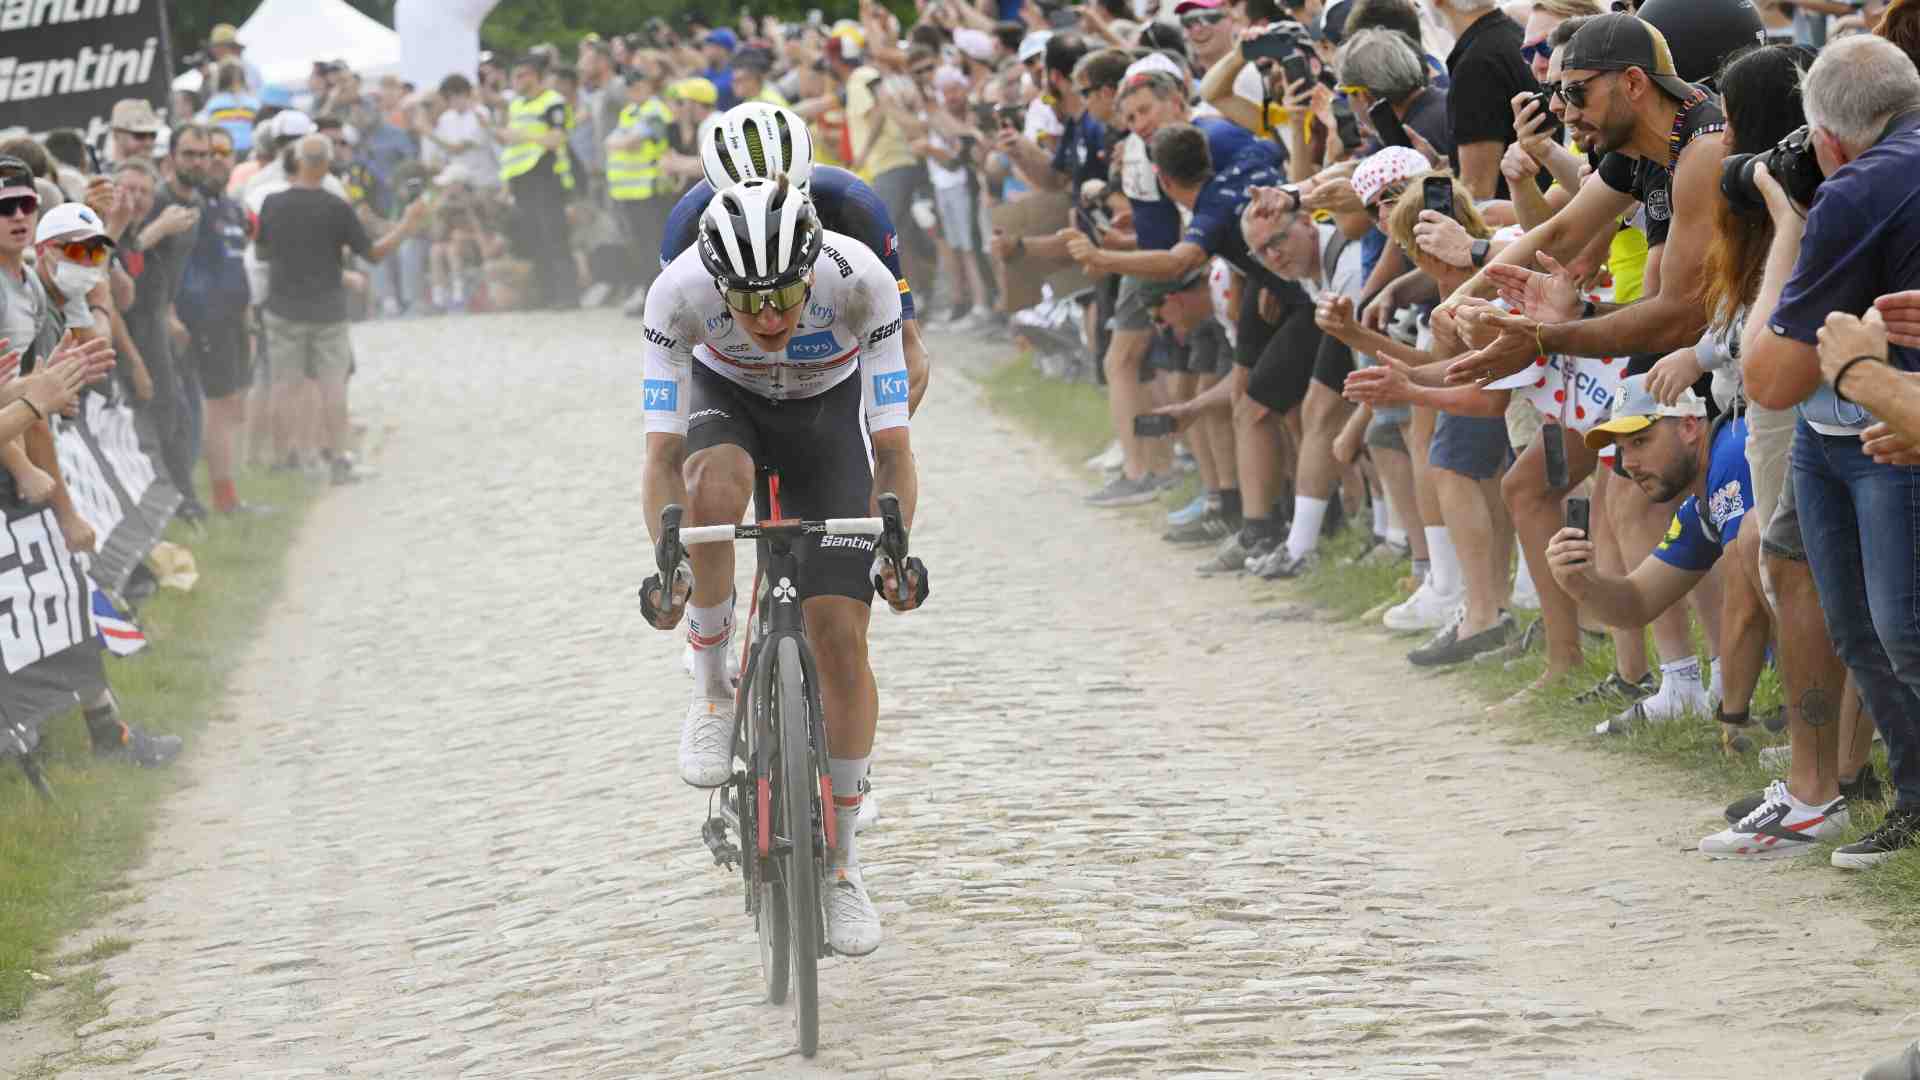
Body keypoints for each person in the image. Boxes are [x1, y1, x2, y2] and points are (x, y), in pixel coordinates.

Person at [639, 177, 928, 957]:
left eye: (786, 298)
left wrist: (894, 542)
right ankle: (712, 691)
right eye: (748, 302)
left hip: (828, 416)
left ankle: (841, 866)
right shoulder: (678, 293)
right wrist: (669, 563)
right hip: (728, 403)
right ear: (716, 285)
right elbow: (662, 456)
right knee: (709, 487)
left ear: (813, 272)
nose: (768, 319)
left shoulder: (861, 278)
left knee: (841, 640)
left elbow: (893, 448)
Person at [1742, 32, 1920, 869]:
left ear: (1827, 139)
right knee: (1866, 630)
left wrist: (1787, 223)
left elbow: (1768, 377)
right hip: (1844, 428)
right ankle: (1909, 802)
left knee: (1894, 632)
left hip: (1880, 426)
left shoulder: (1857, 186)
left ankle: (1913, 802)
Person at [1548, 378, 1792, 855]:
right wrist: (1582, 583)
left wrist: (1734, 714)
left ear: (1688, 426)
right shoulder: (1701, 499)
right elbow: (1639, 601)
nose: (1628, 463)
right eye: (1621, 448)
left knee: (1768, 572)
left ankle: (1825, 771)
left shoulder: (1735, 454)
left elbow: (1747, 608)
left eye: (1640, 441)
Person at [659, 103, 932, 415]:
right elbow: (673, 353)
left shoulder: (855, 207)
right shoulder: (686, 223)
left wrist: (884, 441)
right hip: (732, 378)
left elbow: (909, 349)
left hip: (832, 374)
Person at [255, 135, 432, 486]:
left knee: (282, 386)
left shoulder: (271, 204)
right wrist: (406, 227)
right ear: (327, 164)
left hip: (283, 306)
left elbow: (261, 253)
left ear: (298, 161)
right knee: (332, 386)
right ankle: (338, 459)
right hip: (328, 310)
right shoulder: (337, 207)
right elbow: (374, 254)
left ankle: (281, 459)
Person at [175, 125, 264, 516]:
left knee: (232, 405)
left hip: (234, 318)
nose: (218, 158)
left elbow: (236, 263)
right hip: (203, 319)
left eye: (226, 151)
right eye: (209, 153)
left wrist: (247, 317)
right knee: (217, 405)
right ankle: (223, 497)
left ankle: (231, 490)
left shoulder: (230, 206)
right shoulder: (195, 204)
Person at [126, 124, 210, 521]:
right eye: (189, 153)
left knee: (179, 412)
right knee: (163, 414)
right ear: (171, 158)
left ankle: (185, 499)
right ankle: (176, 503)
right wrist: (158, 229)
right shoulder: (159, 203)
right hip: (133, 322)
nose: (197, 161)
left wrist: (170, 312)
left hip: (159, 317)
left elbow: (166, 271)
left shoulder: (197, 204)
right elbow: (122, 255)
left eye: (203, 154)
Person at [497, 56, 577, 310]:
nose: (517, 80)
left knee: (554, 235)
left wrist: (523, 136)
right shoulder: (516, 104)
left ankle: (567, 295)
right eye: (515, 76)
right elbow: (513, 149)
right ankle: (545, 293)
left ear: (536, 76)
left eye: (523, 75)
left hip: (546, 175)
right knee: (533, 237)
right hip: (522, 180)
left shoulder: (553, 102)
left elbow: (556, 139)